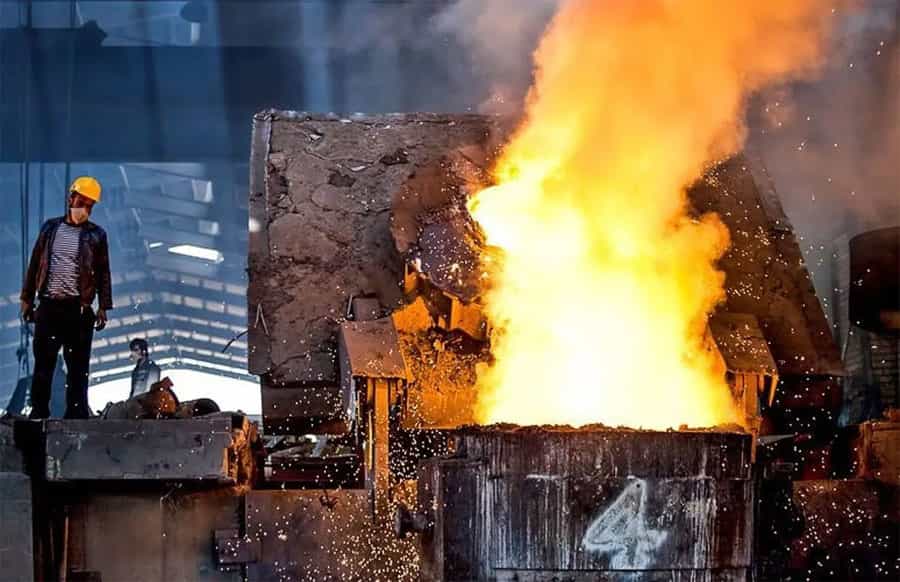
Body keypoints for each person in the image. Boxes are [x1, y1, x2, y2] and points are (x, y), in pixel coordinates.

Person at [20, 176, 112, 419]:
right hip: (49, 306)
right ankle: (39, 413)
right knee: (44, 365)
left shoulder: (97, 235)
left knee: (78, 369)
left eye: (90, 205)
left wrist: (103, 306)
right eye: (82, 201)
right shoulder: (50, 229)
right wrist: (27, 299)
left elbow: (103, 272)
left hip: (78, 310)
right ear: (70, 198)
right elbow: (34, 265)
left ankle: (76, 415)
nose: (85, 209)